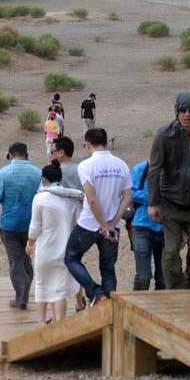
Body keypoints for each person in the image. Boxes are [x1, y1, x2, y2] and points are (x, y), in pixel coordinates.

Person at [147, 92, 190, 290]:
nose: (187, 114)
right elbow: (154, 169)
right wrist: (153, 202)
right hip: (170, 202)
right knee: (171, 251)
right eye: (183, 110)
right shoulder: (164, 134)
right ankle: (175, 290)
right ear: (177, 112)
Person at [64, 128, 132, 305]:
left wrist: (102, 224)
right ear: (106, 143)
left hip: (89, 223)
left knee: (71, 257)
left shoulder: (86, 165)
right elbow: (127, 197)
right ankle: (109, 307)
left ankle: (95, 292)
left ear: (87, 145)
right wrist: (113, 222)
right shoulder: (122, 165)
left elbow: (92, 199)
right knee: (108, 269)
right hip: (112, 227)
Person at [27, 161, 83, 326]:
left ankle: (42, 323)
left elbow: (35, 227)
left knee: (42, 285)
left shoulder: (39, 198)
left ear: (44, 180)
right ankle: (59, 325)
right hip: (64, 251)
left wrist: (30, 245)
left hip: (45, 250)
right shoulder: (73, 198)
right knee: (59, 290)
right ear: (61, 177)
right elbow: (80, 224)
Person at [0, 142, 42, 309]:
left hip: (9, 224)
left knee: (15, 260)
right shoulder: (38, 173)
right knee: (26, 259)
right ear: (27, 155)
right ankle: (23, 292)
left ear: (10, 155)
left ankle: (21, 297)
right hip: (31, 224)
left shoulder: (3, 173)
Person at [130, 160, 164, 290]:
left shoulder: (173, 167)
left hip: (166, 228)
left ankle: (160, 302)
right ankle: (138, 301)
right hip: (142, 227)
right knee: (143, 276)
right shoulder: (141, 168)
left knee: (164, 276)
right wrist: (153, 198)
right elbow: (130, 192)